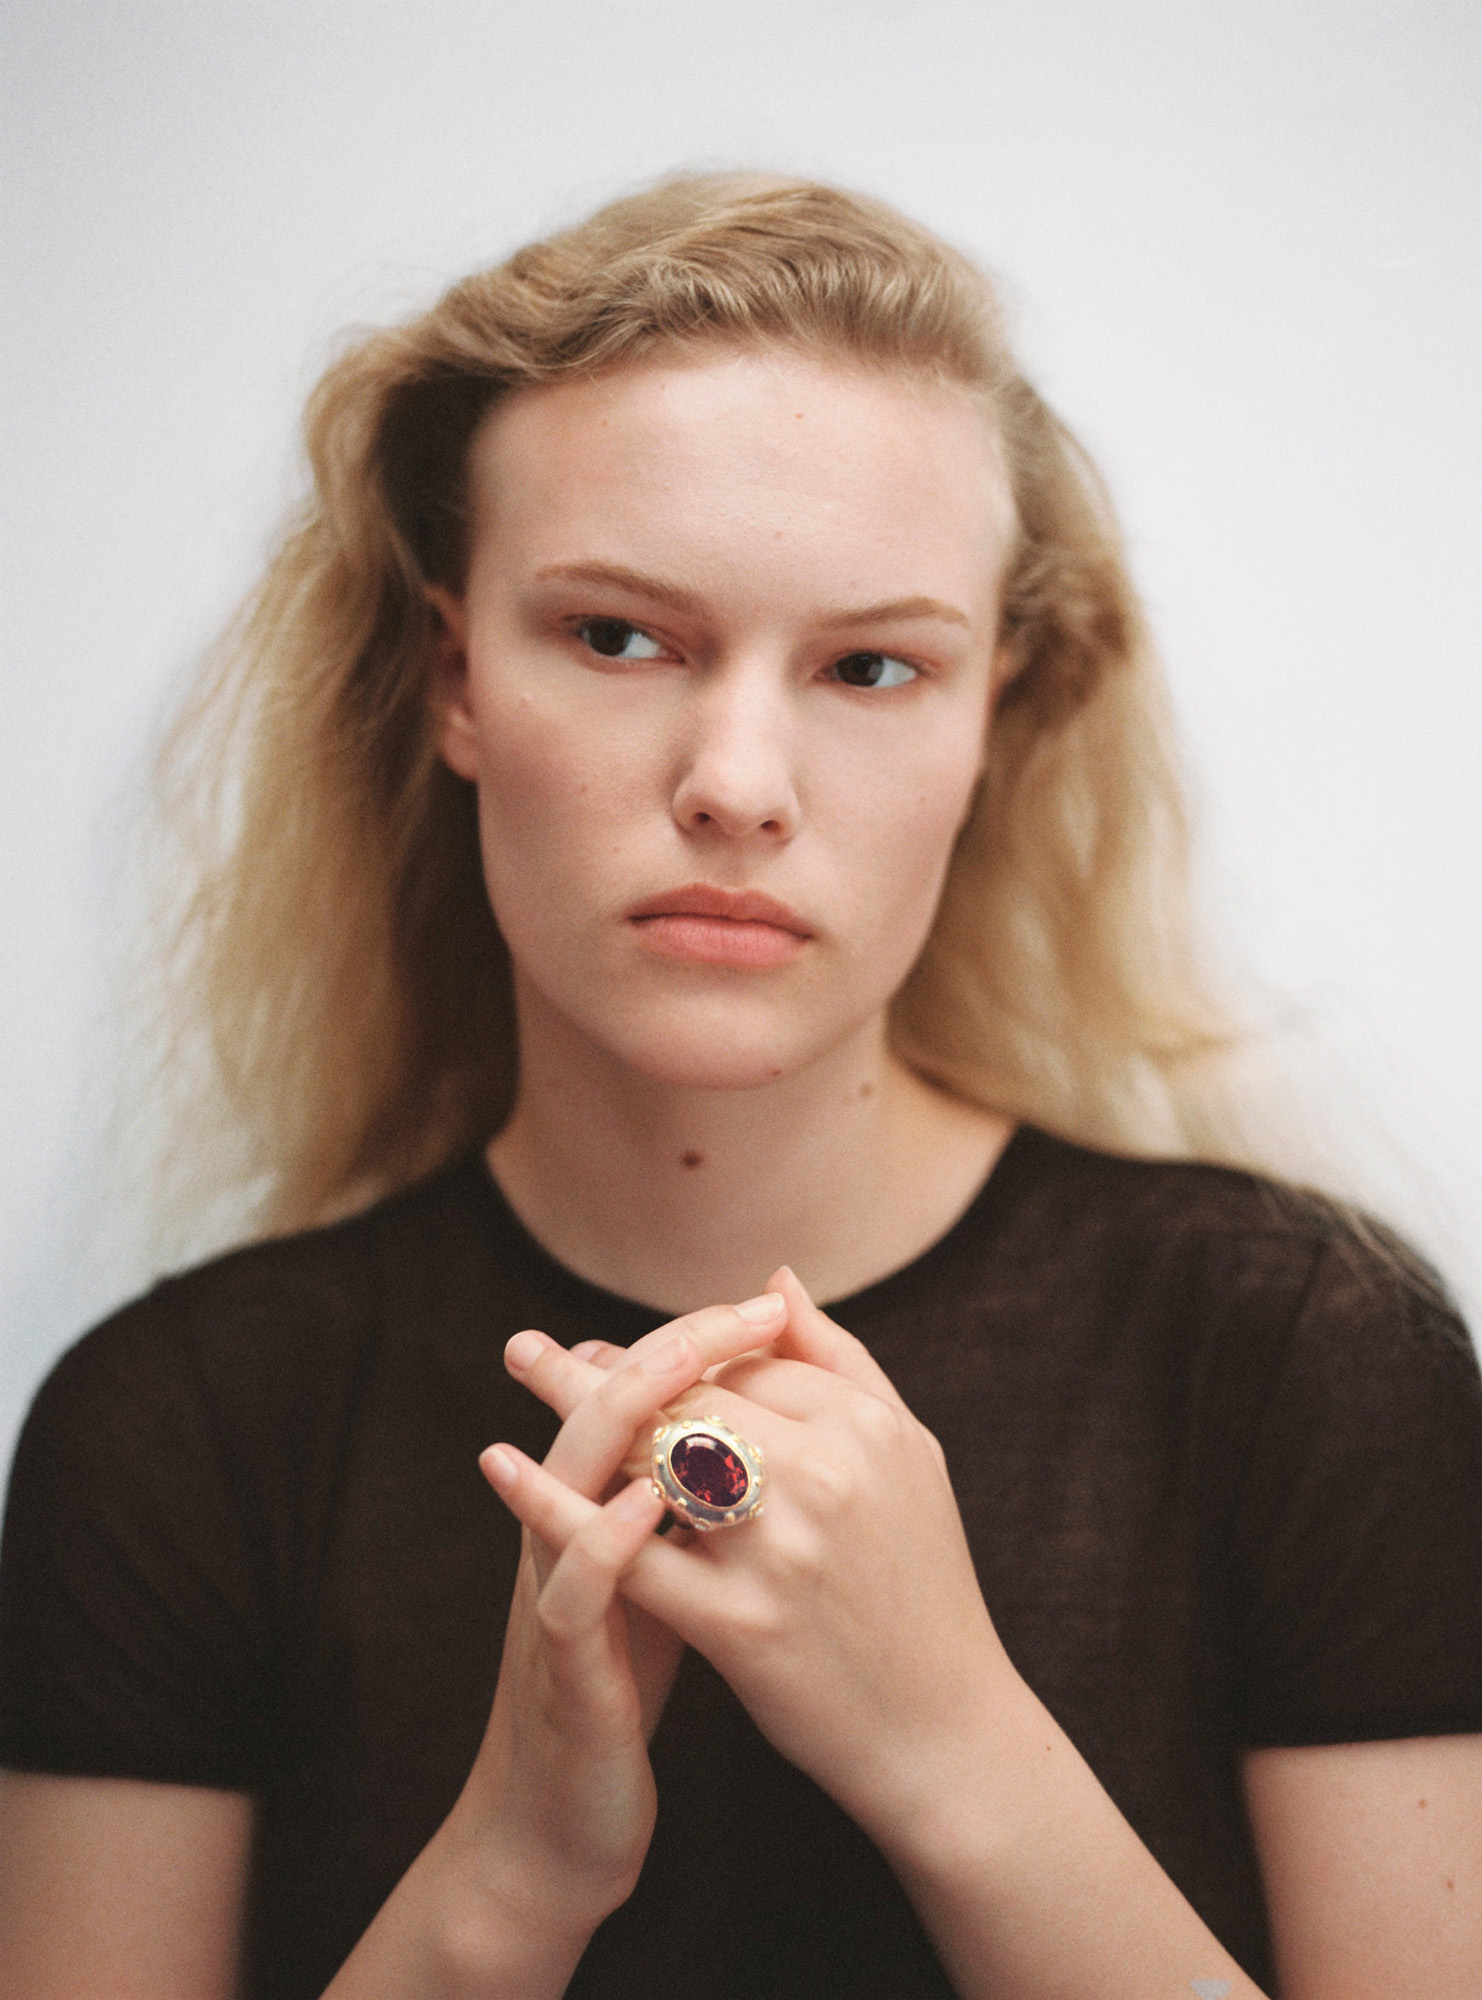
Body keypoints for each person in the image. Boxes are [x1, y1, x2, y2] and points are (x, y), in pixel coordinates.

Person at [0, 172, 1479, 2000]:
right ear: (456, 677)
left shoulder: (1304, 1356)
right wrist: (508, 1880)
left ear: (989, 725)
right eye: (619, 637)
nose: (739, 782)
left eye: (870, 665)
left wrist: (957, 1749)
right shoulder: (180, 1428)